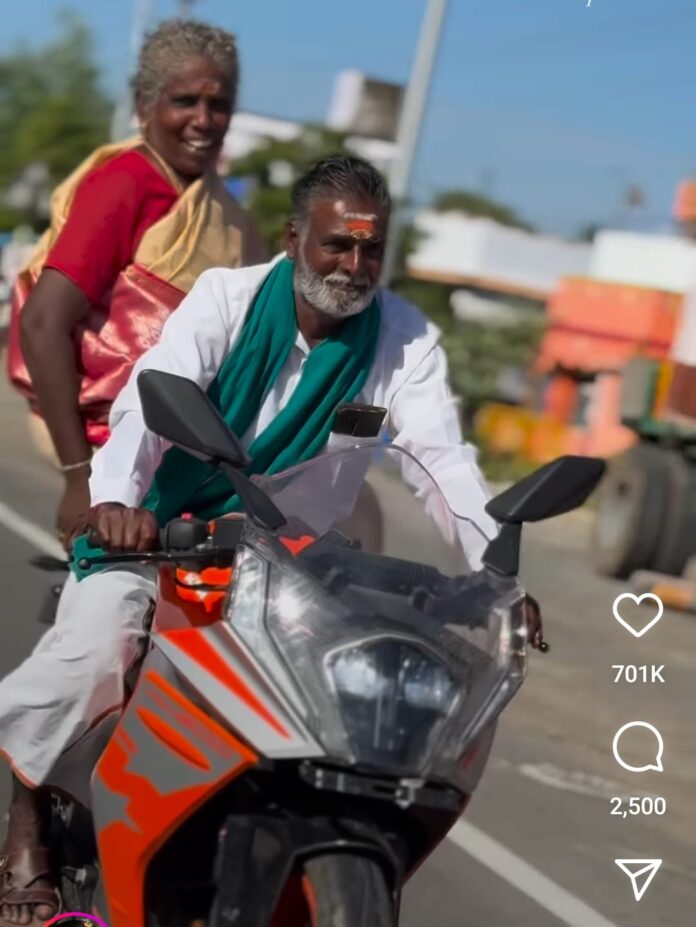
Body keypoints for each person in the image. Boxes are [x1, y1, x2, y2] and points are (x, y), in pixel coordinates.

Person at [0, 155, 541, 925]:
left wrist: (495, 570)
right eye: (336, 246)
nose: (353, 267)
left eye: (369, 250)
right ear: (294, 239)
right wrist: (117, 500)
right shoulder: (227, 297)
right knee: (94, 647)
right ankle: (28, 824)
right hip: (166, 539)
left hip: (296, 563)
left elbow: (442, 462)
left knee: (353, 698)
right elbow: (156, 399)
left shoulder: (403, 337)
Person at [6, 18, 266, 555]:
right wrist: (82, 478)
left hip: (196, 456)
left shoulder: (227, 215)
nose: (203, 120)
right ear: (146, 106)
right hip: (114, 457)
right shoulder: (125, 185)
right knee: (111, 625)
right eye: (184, 101)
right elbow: (41, 322)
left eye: (218, 105)